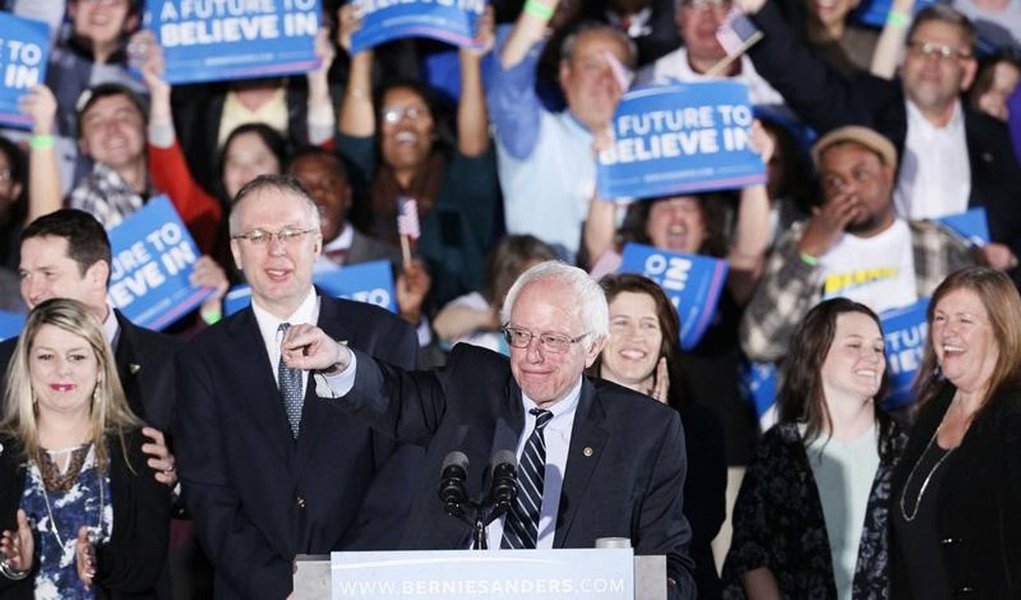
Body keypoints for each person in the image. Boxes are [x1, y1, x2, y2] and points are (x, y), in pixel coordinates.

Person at [283, 260, 697, 598]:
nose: (533, 355)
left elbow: (670, 563)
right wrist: (337, 360)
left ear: (592, 347)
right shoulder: (472, 385)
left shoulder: (645, 430)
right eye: (520, 335)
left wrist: (636, 589)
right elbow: (395, 395)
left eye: (553, 340)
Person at [173, 175, 422, 599]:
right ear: (236, 251)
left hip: (364, 585)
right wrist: (281, 589)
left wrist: (338, 582)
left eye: (291, 233)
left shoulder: (384, 337)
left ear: (316, 243)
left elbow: (403, 475)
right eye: (258, 236)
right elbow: (208, 492)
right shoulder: (202, 359)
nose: (277, 249)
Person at [734, 0, 1021, 272]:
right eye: (921, 48)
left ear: (968, 71)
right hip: (882, 289)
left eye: (945, 53)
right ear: (904, 58)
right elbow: (800, 77)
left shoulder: (996, 135)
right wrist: (756, 9)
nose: (931, 61)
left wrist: (1012, 256)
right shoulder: (870, 106)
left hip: (973, 291)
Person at [741, 125, 979, 363]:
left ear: (888, 175)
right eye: (833, 181)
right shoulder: (800, 242)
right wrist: (807, 255)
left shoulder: (935, 242)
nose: (847, 188)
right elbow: (759, 345)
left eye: (860, 175)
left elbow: (980, 333)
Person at [723, 298, 907, 598]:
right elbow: (751, 554)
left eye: (878, 348)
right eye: (854, 345)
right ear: (816, 354)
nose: (872, 357)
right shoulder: (780, 448)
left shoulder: (905, 446)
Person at [0, 298, 170, 597]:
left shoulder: (138, 448)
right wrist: (13, 568)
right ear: (26, 366)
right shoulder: (4, 451)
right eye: (46, 356)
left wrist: (98, 564)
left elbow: (147, 566)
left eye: (77, 357)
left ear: (100, 368)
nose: (62, 370)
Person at [337, 4, 501, 309]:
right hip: (376, 327)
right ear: (375, 129)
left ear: (434, 128)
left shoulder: (459, 185)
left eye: (417, 113)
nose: (405, 123)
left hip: (459, 327)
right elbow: (353, 143)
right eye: (390, 115)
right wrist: (360, 55)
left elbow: (474, 146)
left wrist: (471, 55)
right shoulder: (360, 188)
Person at [590, 273, 727, 600]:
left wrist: (658, 435)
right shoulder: (568, 420)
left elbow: (697, 525)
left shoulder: (699, 425)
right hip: (593, 581)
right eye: (621, 323)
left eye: (649, 325)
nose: (635, 336)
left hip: (672, 585)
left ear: (664, 338)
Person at [889, 266, 1021, 597]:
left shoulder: (1013, 418)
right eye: (940, 318)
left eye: (965, 320)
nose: (948, 331)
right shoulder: (928, 413)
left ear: (1001, 331)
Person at [487, 12, 635, 262]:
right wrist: (542, 6)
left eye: (617, 67)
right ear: (566, 73)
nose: (605, 79)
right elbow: (509, 76)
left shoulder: (652, 146)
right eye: (592, 65)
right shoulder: (536, 134)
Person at [432, 234, 557, 353]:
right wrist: (490, 318)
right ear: (507, 279)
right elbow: (440, 328)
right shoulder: (479, 304)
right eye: (530, 279)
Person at [287, 146, 401, 274]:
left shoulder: (392, 261)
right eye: (303, 187)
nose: (318, 194)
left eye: (329, 183)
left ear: (347, 195)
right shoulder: (274, 263)